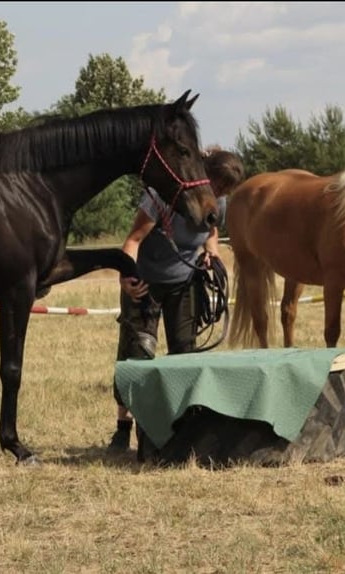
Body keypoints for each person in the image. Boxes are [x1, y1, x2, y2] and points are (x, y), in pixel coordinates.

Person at [108, 149, 246, 452]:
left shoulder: (217, 202)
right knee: (137, 357)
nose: (220, 195)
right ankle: (123, 429)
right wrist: (125, 277)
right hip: (144, 283)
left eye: (225, 191)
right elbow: (132, 240)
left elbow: (210, 230)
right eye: (218, 186)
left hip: (185, 283)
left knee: (186, 353)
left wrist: (213, 252)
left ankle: (183, 428)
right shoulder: (162, 199)